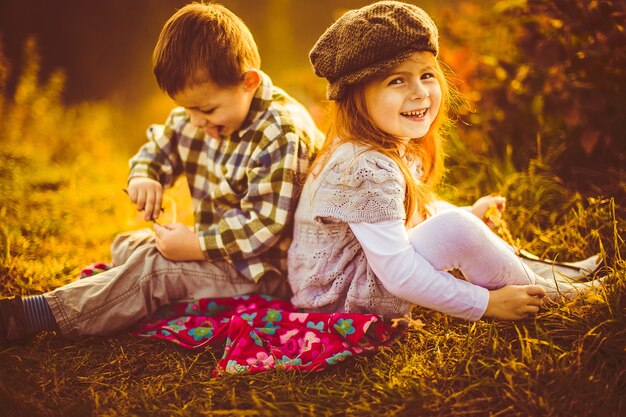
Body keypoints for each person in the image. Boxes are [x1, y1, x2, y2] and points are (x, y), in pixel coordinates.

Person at [0, 3, 322, 343]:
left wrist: (195, 245)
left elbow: (262, 228)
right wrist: (145, 177)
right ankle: (115, 293)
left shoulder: (281, 133)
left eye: (205, 109)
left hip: (263, 271)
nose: (195, 121)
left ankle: (32, 315)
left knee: (157, 268)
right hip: (220, 254)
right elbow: (159, 147)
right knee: (130, 245)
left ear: (249, 82)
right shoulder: (205, 112)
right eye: (186, 109)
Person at [287, 0, 603, 322]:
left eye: (426, 75)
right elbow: (399, 274)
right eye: (397, 81)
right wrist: (486, 303)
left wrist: (469, 215)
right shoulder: (362, 168)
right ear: (355, 97)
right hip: (339, 300)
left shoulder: (384, 141)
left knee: (451, 217)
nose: (420, 92)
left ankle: (559, 277)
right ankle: (562, 297)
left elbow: (405, 217)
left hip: (367, 272)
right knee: (455, 229)